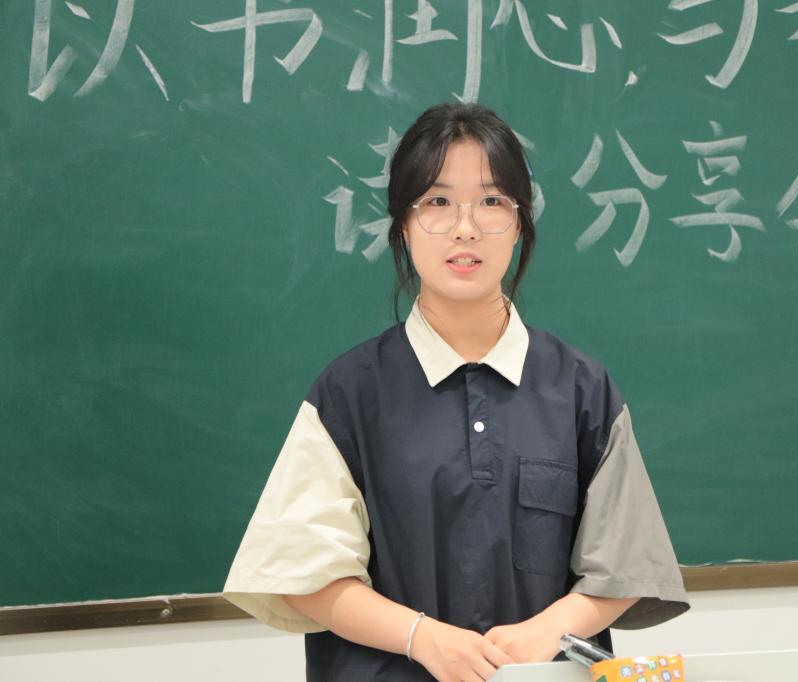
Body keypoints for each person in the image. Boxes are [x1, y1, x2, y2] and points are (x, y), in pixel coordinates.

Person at [221, 102, 689, 681]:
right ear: (403, 224)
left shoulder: (582, 389)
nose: (465, 227)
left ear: (519, 224)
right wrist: (421, 638)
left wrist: (551, 629)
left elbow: (625, 565)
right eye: (438, 202)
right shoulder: (347, 393)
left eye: (491, 202)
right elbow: (303, 574)